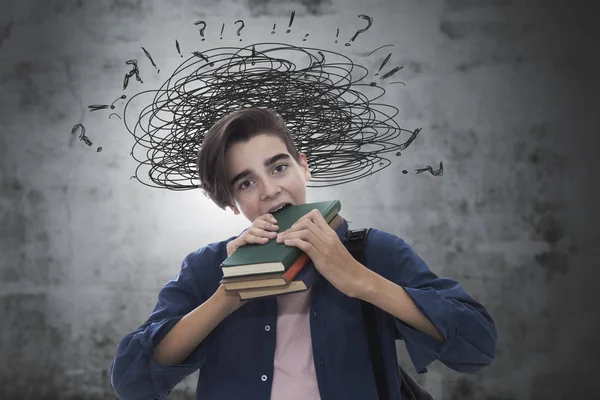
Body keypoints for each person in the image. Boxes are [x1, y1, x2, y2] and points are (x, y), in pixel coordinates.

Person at [109, 107, 497, 400]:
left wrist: (359, 280)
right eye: (246, 182)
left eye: (278, 168)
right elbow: (131, 381)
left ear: (304, 168)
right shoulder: (208, 268)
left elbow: (478, 347)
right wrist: (228, 296)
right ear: (231, 204)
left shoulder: (371, 251)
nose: (269, 191)